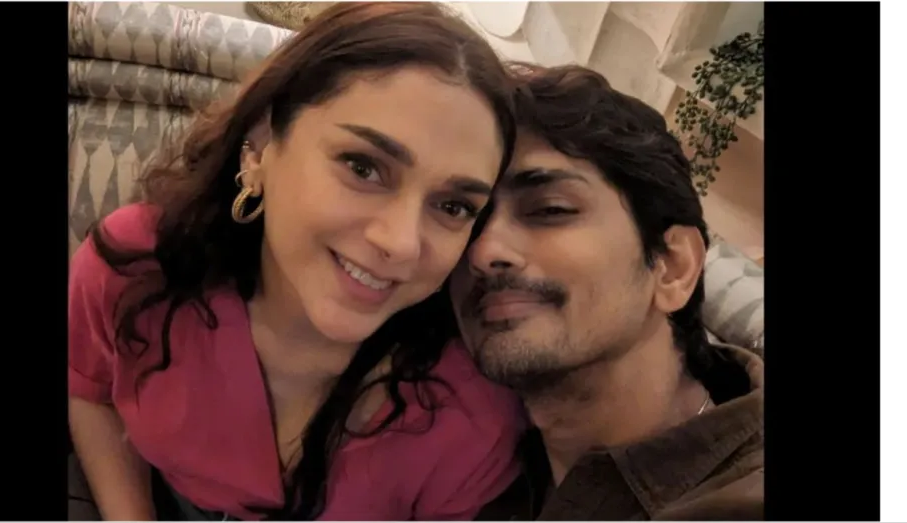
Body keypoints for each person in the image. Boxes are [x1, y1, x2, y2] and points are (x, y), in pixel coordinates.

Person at [67, 3, 526, 520]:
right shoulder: (139, 267)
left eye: (453, 207)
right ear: (260, 147)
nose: (401, 243)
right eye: (363, 167)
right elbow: (90, 391)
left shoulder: (469, 422)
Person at [454, 64, 764, 521]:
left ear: (672, 266)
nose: (482, 252)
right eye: (465, 215)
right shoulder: (460, 468)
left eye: (550, 209)